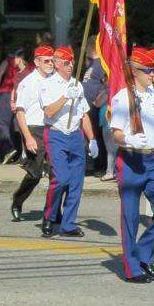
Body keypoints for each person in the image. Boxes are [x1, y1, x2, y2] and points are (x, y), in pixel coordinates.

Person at [110, 46, 154, 283]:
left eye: (152, 70)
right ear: (135, 71)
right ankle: (132, 268)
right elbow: (116, 132)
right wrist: (127, 138)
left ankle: (144, 255)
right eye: (148, 70)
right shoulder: (122, 97)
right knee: (130, 217)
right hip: (129, 159)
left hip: (150, 160)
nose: (152, 74)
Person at [39, 46, 98, 238]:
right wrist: (66, 96)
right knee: (60, 179)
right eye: (66, 62)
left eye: (72, 62)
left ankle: (68, 224)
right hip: (56, 134)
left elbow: (83, 115)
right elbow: (48, 111)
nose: (70, 65)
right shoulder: (47, 84)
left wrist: (92, 139)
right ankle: (49, 216)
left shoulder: (76, 84)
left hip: (75, 135)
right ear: (56, 64)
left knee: (76, 182)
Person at [10, 44, 55, 222]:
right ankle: (18, 200)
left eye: (52, 61)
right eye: (46, 61)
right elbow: (20, 111)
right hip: (34, 128)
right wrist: (27, 137)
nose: (50, 64)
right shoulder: (27, 83)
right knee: (34, 174)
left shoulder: (55, 80)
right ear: (37, 62)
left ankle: (52, 211)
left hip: (52, 129)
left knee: (56, 173)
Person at [0, 48, 27, 163]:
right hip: (21, 96)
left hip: (7, 93)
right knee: (16, 126)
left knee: (0, 122)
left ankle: (8, 148)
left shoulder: (8, 61)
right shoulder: (29, 67)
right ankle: (17, 154)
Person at [82, 36, 107, 174]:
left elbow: (106, 85)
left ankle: (99, 165)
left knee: (96, 135)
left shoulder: (101, 64)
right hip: (86, 106)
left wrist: (98, 101)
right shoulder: (92, 64)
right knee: (88, 135)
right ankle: (90, 164)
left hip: (94, 107)